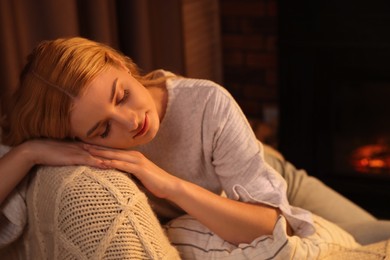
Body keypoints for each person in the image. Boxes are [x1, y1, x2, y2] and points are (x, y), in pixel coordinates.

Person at [0, 37, 388, 259]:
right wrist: (28, 153)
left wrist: (168, 184)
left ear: (121, 64)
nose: (131, 121)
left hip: (267, 173)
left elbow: (275, 224)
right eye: (103, 129)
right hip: (230, 190)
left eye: (123, 95)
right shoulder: (68, 141)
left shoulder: (206, 102)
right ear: (75, 138)